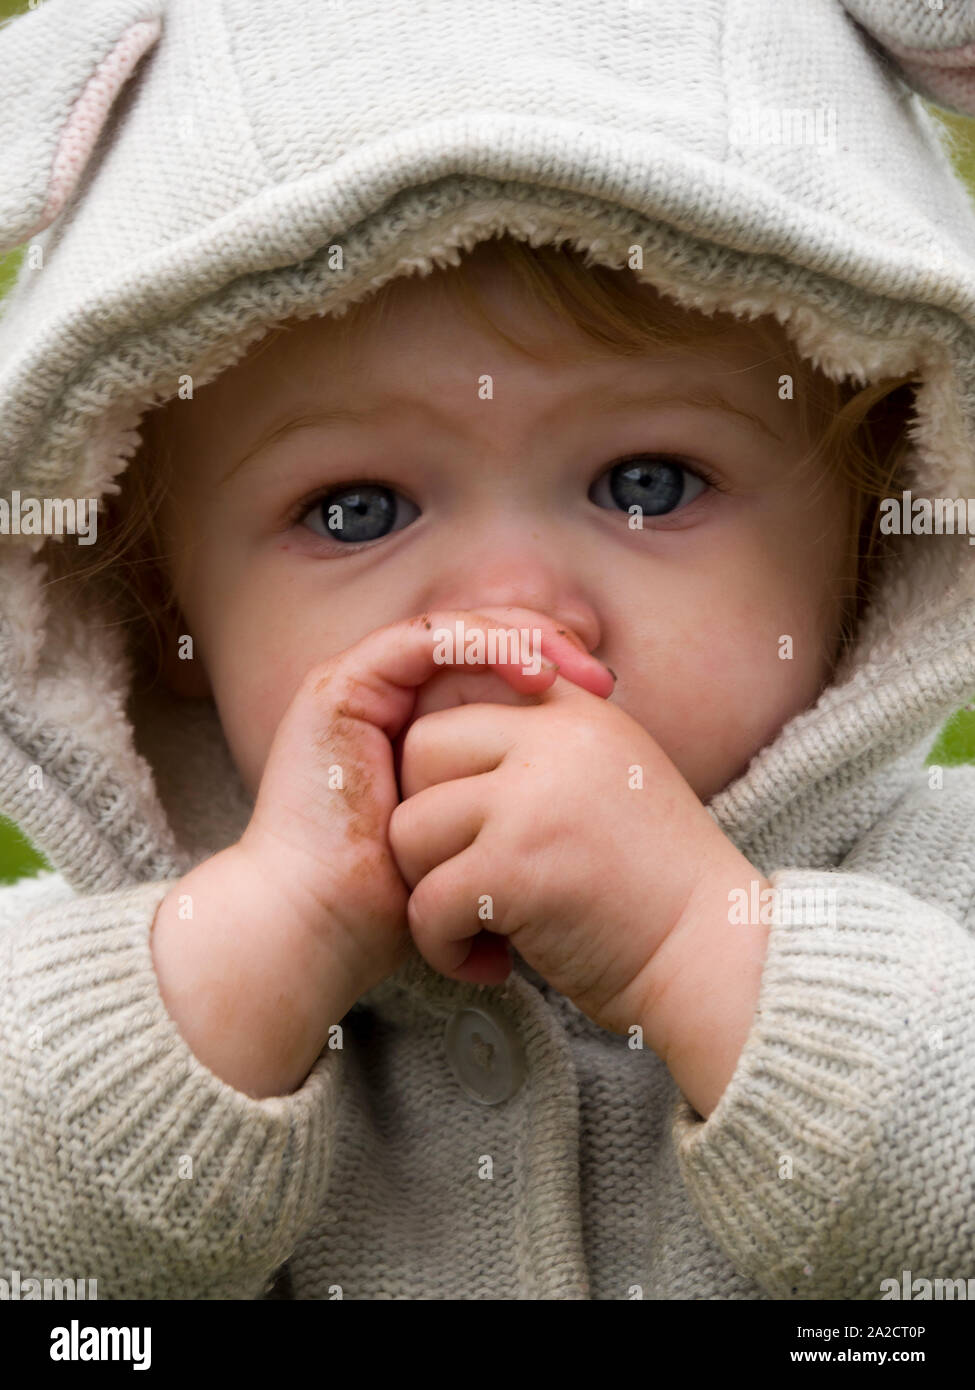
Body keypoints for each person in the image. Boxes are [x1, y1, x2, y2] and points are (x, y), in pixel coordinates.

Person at [1, 0, 974, 1301]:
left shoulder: (943, 896)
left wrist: (705, 941)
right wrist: (251, 953)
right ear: (153, 605)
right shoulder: (107, 974)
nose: (512, 620)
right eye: (356, 511)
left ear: (867, 528)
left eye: (645, 482)